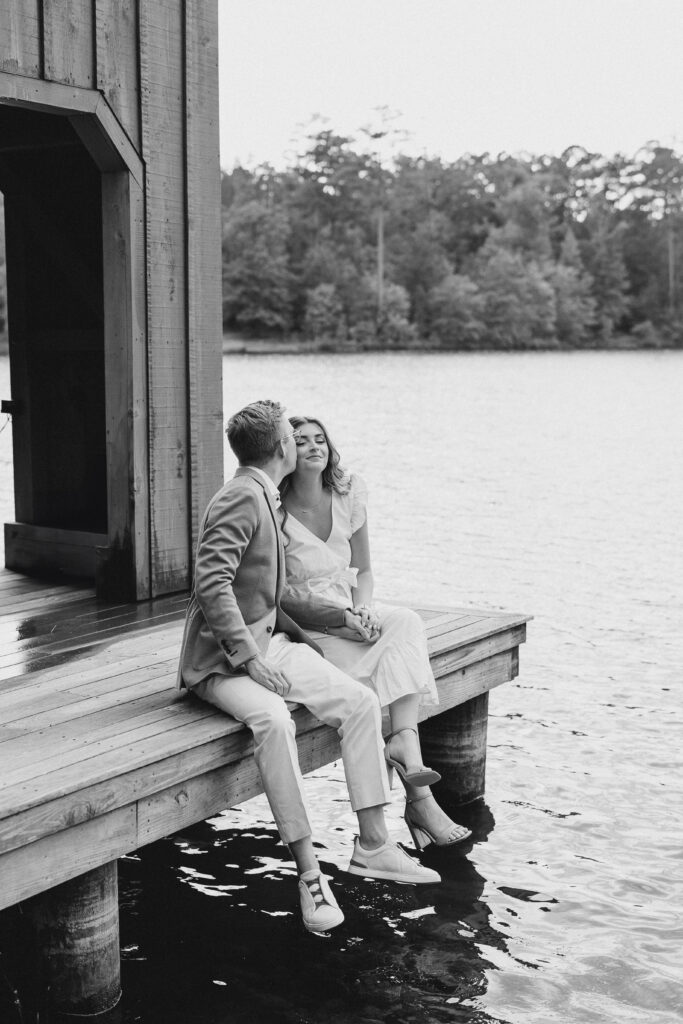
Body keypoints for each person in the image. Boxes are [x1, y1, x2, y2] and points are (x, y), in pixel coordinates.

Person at [176, 400, 439, 935]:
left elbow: (271, 597)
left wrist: (303, 641)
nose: (304, 445)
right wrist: (248, 657)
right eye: (295, 439)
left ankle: (373, 844)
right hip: (222, 662)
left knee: (361, 701)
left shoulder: (267, 495)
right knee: (275, 720)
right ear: (282, 449)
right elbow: (211, 583)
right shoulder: (240, 497)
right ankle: (309, 872)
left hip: (270, 642)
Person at [279, 415, 472, 852]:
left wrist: (362, 610)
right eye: (302, 441)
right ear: (286, 453)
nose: (314, 446)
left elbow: (364, 571)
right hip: (308, 631)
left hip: (349, 613)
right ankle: (420, 799)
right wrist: (339, 619)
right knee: (386, 674)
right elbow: (279, 600)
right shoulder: (274, 509)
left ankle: (404, 739)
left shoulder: (349, 492)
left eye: (320, 438)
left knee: (404, 622)